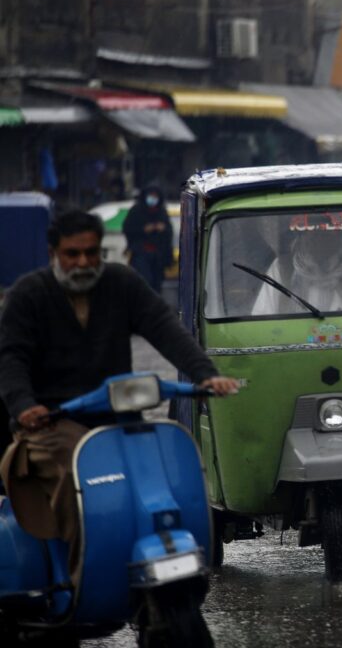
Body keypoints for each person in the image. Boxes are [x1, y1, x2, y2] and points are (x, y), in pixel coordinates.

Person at [0, 210, 238, 579]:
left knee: (159, 473)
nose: (83, 263)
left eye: (92, 253)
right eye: (72, 254)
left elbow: (163, 326)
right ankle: (82, 574)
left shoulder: (121, 283)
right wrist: (25, 405)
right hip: (50, 425)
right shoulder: (28, 295)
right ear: (53, 254)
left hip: (117, 419)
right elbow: (11, 357)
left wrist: (205, 375)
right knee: (73, 475)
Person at [252, 226, 342, 315]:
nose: (319, 234)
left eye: (327, 227)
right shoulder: (282, 268)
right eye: (313, 227)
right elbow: (260, 322)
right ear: (302, 235)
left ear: (338, 233)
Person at [123, 184, 174, 293]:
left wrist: (162, 228)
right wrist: (143, 230)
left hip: (158, 256)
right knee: (144, 282)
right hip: (141, 254)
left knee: (157, 284)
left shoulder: (161, 211)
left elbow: (169, 232)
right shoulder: (136, 211)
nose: (153, 199)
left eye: (155, 196)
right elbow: (128, 229)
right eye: (151, 196)